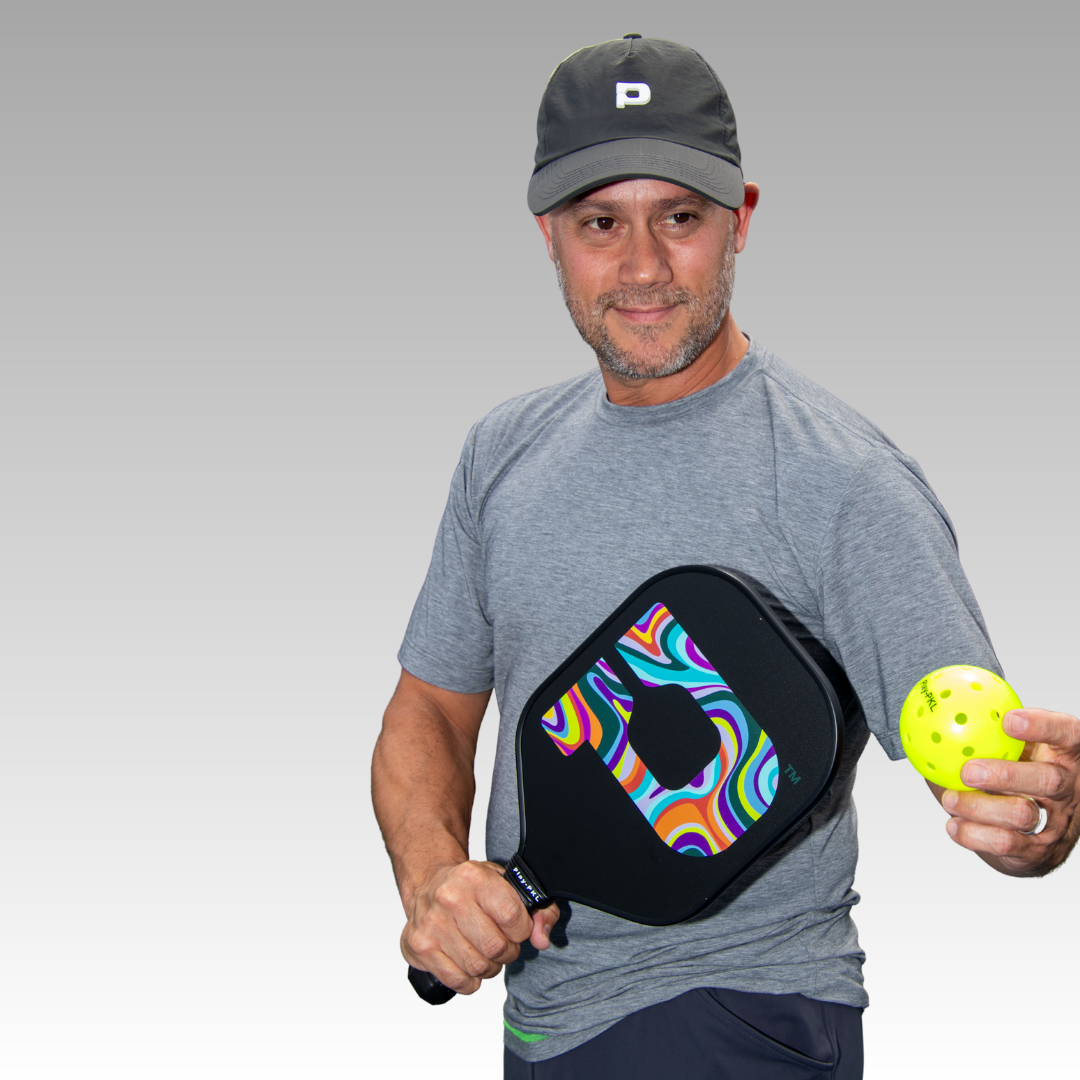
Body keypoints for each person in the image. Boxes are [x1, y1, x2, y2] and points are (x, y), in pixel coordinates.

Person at [371, 35, 1080, 1079]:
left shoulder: (842, 480)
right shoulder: (502, 454)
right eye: (601, 223)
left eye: (682, 219)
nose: (644, 266)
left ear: (741, 219)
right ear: (549, 234)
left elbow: (992, 780)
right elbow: (426, 710)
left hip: (740, 1021)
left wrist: (1038, 823)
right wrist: (433, 878)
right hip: (547, 1022)